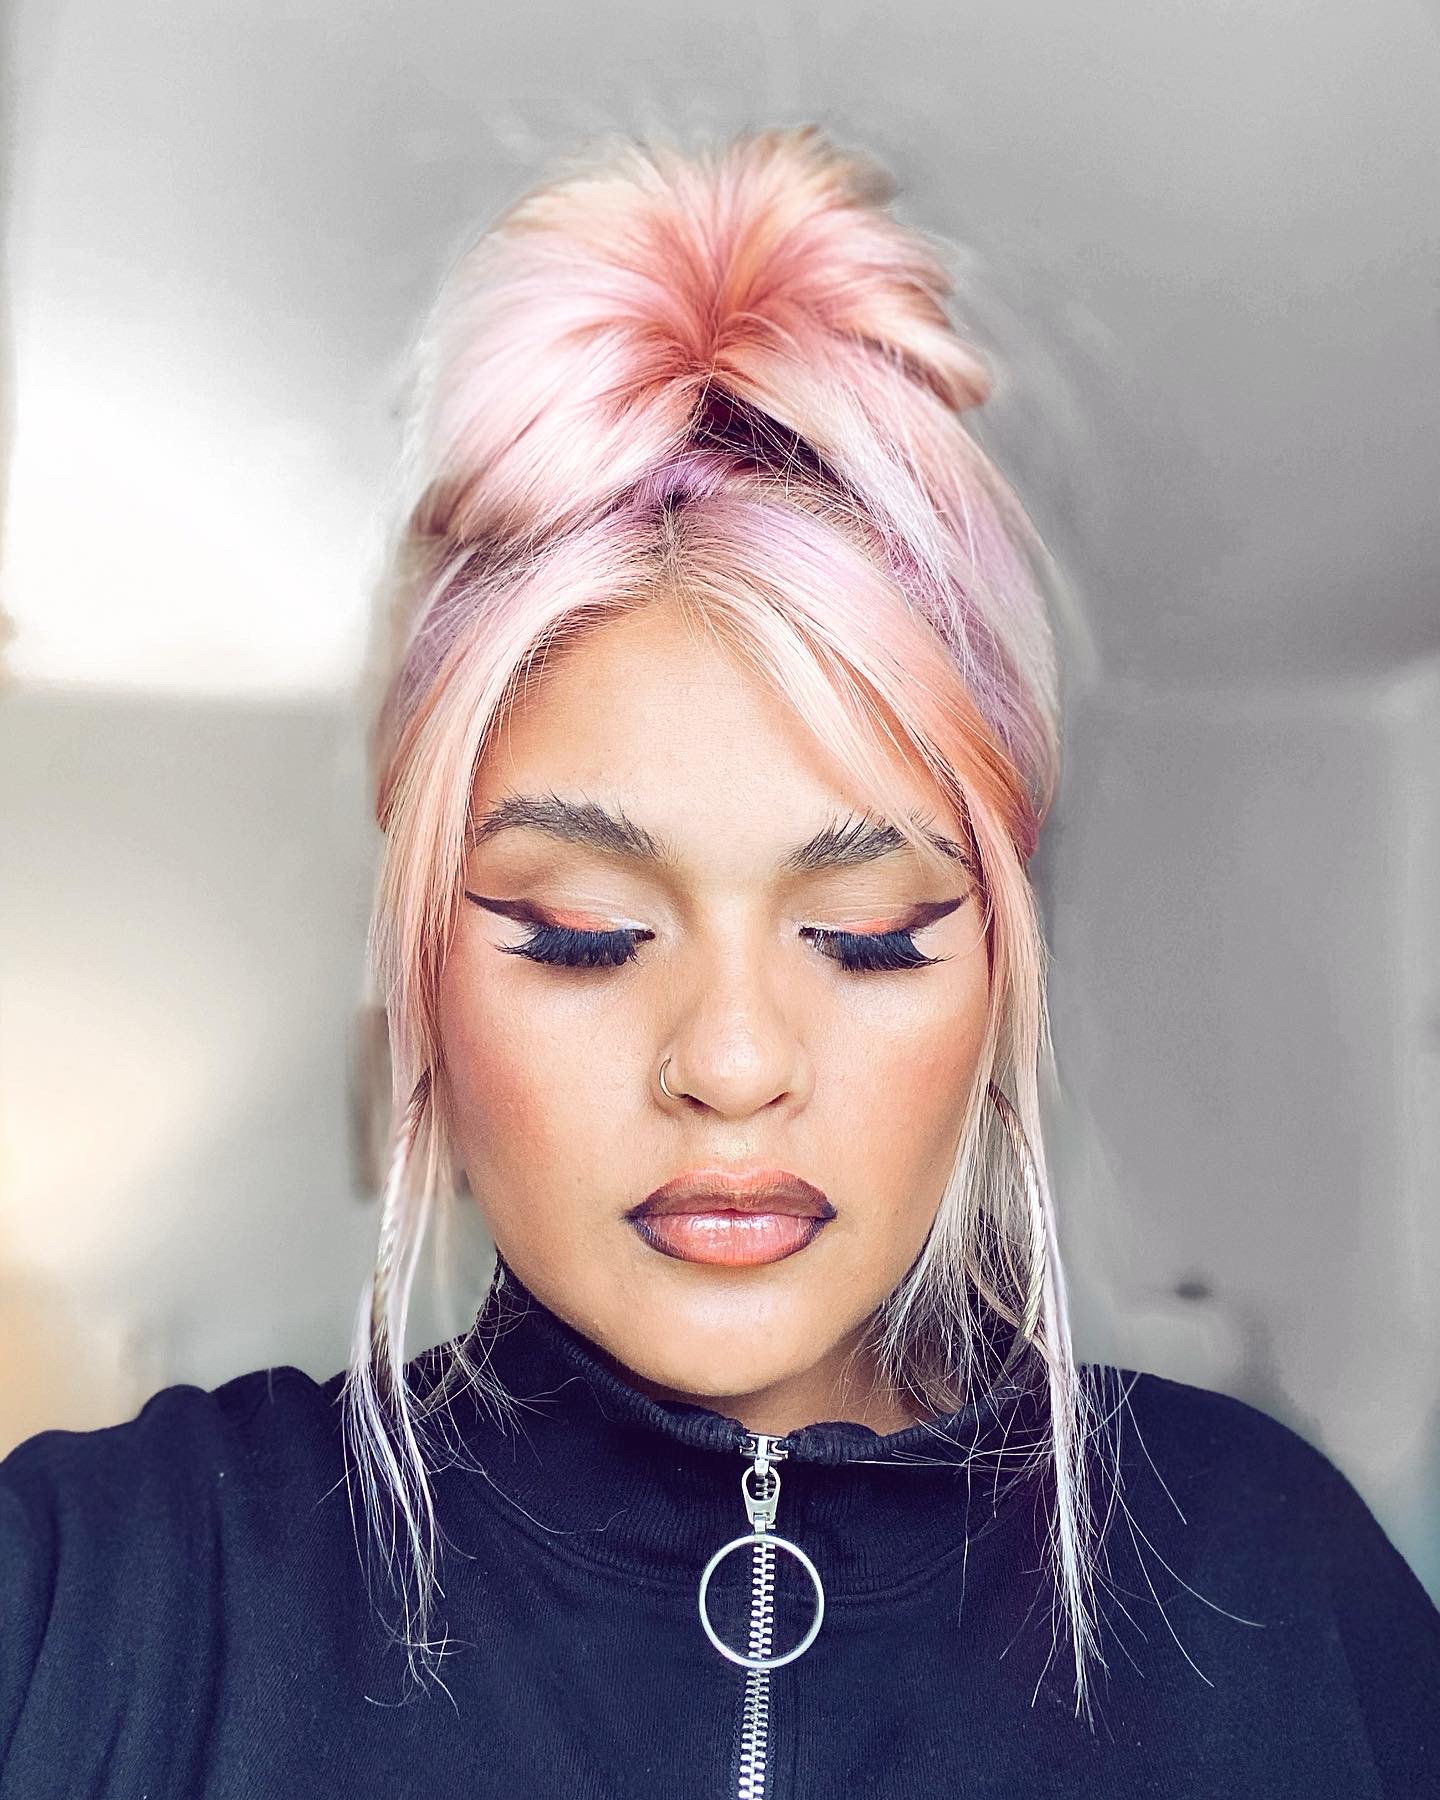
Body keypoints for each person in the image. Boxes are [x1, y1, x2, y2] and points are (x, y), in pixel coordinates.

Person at [2, 124, 1437, 1800]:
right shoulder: (105, 1596)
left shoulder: (1272, 1591)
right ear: (428, 987)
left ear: (996, 978)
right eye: (585, 937)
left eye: (868, 939)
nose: (736, 1063)